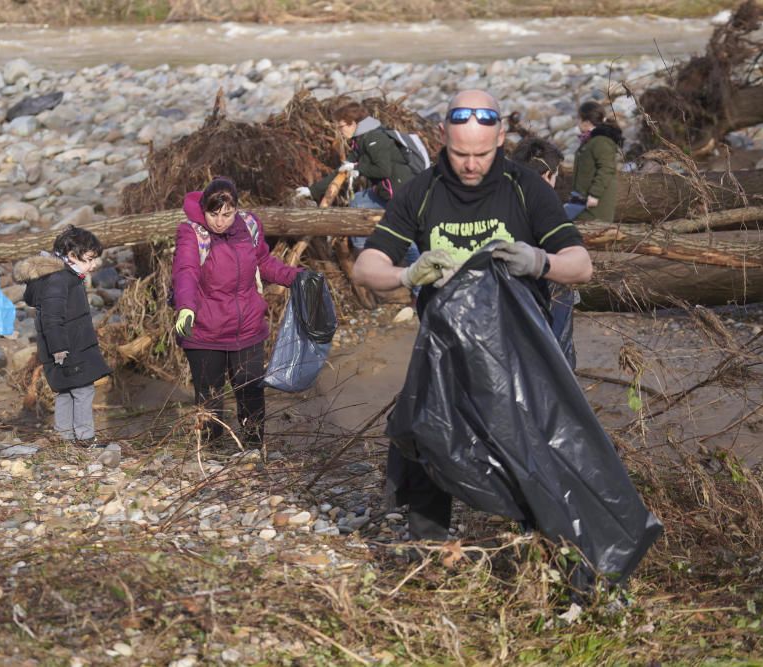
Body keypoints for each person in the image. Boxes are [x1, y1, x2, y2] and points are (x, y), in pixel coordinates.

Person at [352, 90, 593, 541]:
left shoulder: (527, 188)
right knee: (426, 440)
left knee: (532, 457)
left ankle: (537, 544)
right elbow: (367, 268)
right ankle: (430, 550)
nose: (470, 164)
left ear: (501, 138)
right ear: (441, 137)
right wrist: (409, 274)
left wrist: (539, 261)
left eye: (482, 154)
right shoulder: (420, 193)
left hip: (517, 354)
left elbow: (581, 264)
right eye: (460, 152)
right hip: (445, 354)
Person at [172, 177, 302, 450]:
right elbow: (186, 271)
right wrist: (185, 307)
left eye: (227, 214)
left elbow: (264, 263)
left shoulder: (249, 226)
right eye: (214, 214)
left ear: (236, 210)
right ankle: (211, 452)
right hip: (206, 331)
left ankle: (254, 449)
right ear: (204, 209)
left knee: (251, 392)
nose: (220, 221)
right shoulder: (192, 232)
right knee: (209, 397)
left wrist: (297, 278)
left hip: (248, 328)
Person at [14, 226, 111, 446]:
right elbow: (51, 317)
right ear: (71, 256)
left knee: (66, 391)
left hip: (66, 345)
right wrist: (58, 347)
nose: (94, 265)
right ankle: (85, 437)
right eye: (89, 259)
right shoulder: (59, 279)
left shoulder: (63, 276)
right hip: (68, 347)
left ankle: (64, 435)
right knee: (83, 390)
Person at [299, 102, 420, 260]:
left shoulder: (375, 138)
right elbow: (342, 170)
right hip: (384, 193)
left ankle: (421, 278)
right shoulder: (360, 140)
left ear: (353, 124)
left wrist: (358, 169)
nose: (340, 132)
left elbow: (383, 170)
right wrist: (312, 190)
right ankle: (364, 254)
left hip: (399, 194)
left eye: (341, 127)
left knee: (407, 242)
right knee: (358, 200)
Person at [511, 136, 579, 368]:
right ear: (547, 174)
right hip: (545, 290)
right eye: (556, 174)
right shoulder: (545, 202)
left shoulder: (499, 197)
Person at [570, 100, 623, 222]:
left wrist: (594, 195)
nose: (577, 122)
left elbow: (607, 169)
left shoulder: (601, 141)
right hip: (583, 199)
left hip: (594, 204)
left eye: (579, 119)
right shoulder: (591, 139)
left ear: (587, 122)